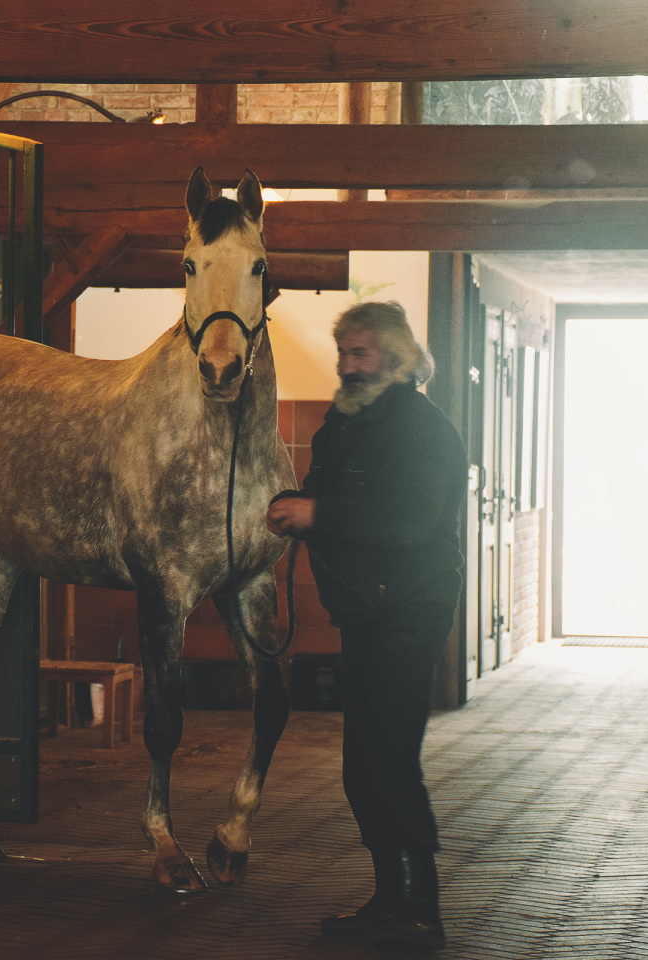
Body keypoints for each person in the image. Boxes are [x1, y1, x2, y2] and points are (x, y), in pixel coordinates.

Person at [265, 301, 467, 952]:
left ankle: (419, 909)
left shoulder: (419, 427)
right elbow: (328, 493)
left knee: (387, 761)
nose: (348, 366)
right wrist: (294, 505)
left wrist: (315, 514)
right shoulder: (348, 422)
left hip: (407, 608)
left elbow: (409, 521)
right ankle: (391, 900)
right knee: (364, 766)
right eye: (343, 353)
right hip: (369, 607)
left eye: (362, 353)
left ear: (396, 357)